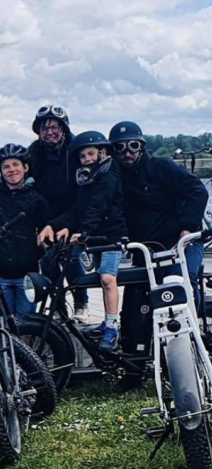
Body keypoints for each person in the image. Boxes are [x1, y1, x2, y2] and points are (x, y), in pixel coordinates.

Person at [109, 121, 208, 387]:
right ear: (113, 151)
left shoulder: (161, 167)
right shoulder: (114, 177)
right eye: (120, 148)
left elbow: (197, 190)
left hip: (180, 243)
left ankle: (188, 358)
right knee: (134, 305)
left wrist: (187, 230)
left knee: (177, 290)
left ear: (142, 147)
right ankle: (135, 368)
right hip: (145, 249)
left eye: (133, 146)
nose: (127, 152)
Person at [38, 132, 128, 352]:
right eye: (82, 156)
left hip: (112, 237)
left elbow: (99, 207)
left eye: (91, 154)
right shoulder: (87, 179)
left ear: (102, 152)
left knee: (107, 278)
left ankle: (112, 327)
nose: (87, 159)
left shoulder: (109, 177)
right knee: (73, 268)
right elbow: (78, 210)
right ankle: (68, 314)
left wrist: (83, 231)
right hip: (95, 238)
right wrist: (53, 225)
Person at [27, 105, 90, 323]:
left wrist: (74, 224)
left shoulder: (75, 150)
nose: (50, 132)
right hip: (48, 216)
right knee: (48, 261)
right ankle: (58, 307)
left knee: (72, 258)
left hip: (74, 211)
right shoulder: (34, 153)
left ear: (63, 128)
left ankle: (82, 302)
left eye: (55, 127)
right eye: (44, 128)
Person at [0, 144, 50, 316]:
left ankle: (26, 344)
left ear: (25, 167)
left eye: (16, 165)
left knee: (27, 321)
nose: (11, 170)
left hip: (27, 272)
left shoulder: (37, 199)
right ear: (0, 171)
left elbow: (45, 227)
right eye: (6, 167)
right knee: (4, 322)